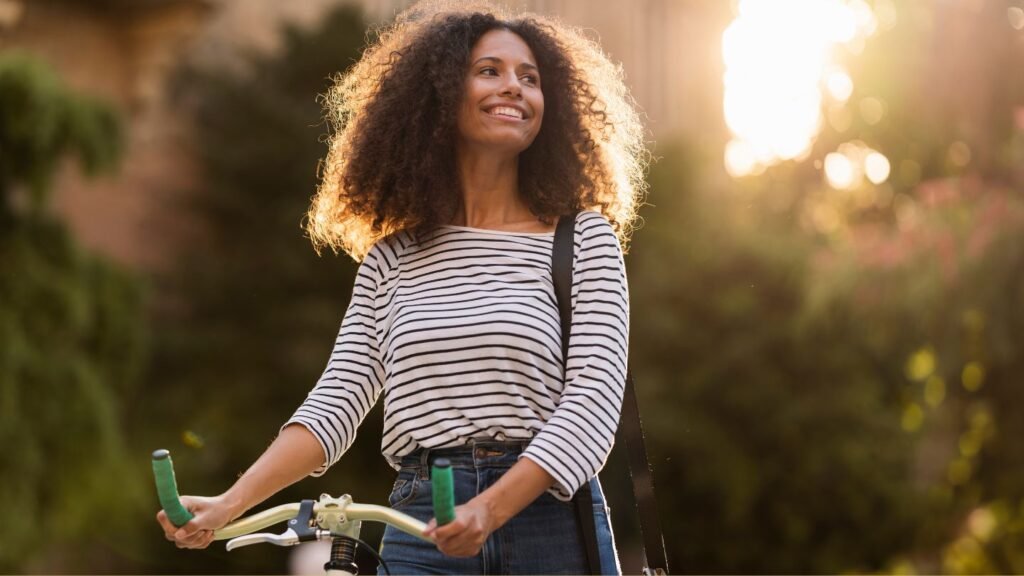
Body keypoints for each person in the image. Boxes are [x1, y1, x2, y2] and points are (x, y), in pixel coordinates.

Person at [156, 1, 647, 573]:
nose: (513, 87)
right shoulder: (393, 258)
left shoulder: (585, 239)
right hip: (423, 526)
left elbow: (591, 405)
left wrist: (488, 510)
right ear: (437, 96)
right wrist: (227, 504)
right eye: (489, 70)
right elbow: (337, 401)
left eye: (530, 78)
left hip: (549, 527)